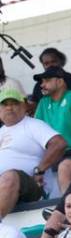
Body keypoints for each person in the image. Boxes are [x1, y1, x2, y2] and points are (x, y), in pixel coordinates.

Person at [0, 87, 65, 215]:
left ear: (24, 106)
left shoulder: (33, 125)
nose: (9, 108)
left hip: (32, 187)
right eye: (4, 104)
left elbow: (59, 144)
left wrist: (39, 169)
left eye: (14, 103)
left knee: (10, 176)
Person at [34, 65, 71, 156]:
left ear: (60, 82)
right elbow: (35, 130)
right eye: (42, 81)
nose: (42, 85)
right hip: (51, 154)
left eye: (47, 81)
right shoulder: (43, 102)